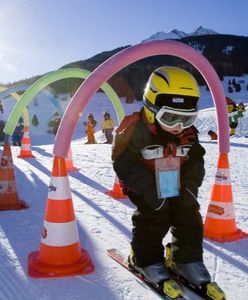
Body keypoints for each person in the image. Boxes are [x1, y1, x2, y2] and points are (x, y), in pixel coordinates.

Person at [112, 66, 212, 291]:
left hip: (174, 182)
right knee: (154, 215)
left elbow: (196, 160)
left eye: (187, 119)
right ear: (150, 108)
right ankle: (144, 259)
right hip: (144, 185)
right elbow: (123, 163)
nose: (178, 126)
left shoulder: (188, 133)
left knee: (189, 214)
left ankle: (186, 260)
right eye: (170, 117)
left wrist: (190, 186)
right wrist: (147, 189)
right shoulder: (135, 130)